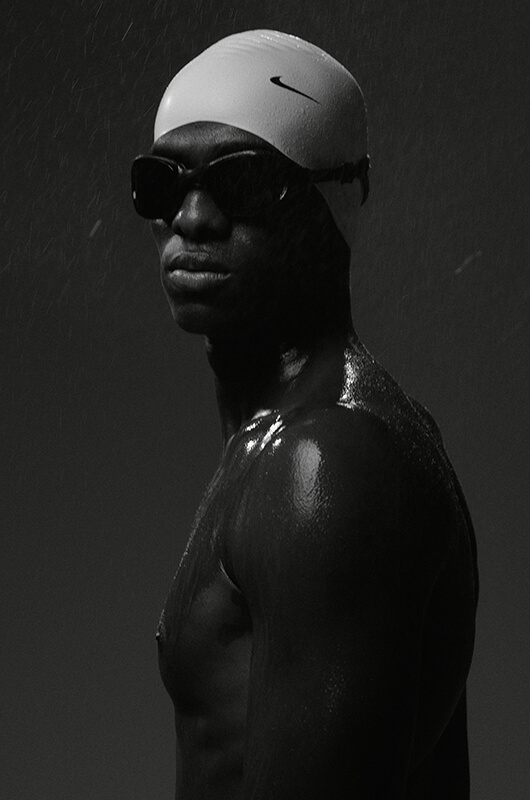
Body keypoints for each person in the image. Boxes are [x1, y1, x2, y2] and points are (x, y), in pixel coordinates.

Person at [131, 29, 478, 800]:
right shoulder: (292, 443)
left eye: (240, 185)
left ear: (331, 203)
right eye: (163, 184)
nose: (190, 219)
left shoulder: (327, 462)